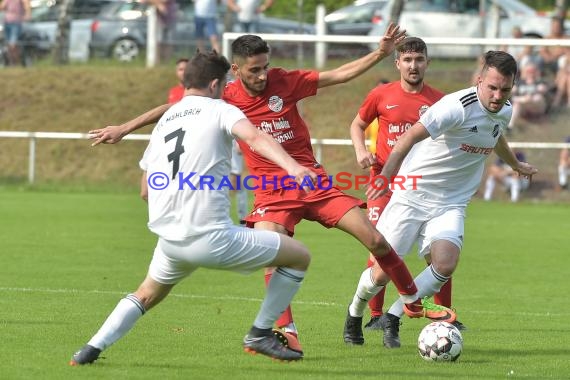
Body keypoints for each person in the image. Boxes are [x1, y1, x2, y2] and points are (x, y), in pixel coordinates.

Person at [87, 24, 457, 354]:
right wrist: (124, 127)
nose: (263, 75)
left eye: (265, 66)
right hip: (270, 189)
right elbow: (173, 107)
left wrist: (379, 53)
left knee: (376, 241)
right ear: (234, 71)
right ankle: (284, 330)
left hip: (312, 181)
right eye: (254, 69)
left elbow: (338, 75)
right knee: (275, 252)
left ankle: (411, 302)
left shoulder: (284, 80)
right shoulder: (225, 97)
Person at [70, 51, 319, 365]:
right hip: (212, 238)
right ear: (215, 84)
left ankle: (89, 350)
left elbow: (146, 190)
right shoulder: (221, 110)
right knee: (299, 257)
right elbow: (255, 137)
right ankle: (260, 332)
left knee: (146, 293)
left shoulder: (165, 121)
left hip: (170, 240)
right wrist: (294, 168)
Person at [343, 50, 537, 349]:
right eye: (493, 87)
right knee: (381, 273)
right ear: (480, 80)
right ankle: (355, 312)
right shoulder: (455, 107)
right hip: (412, 194)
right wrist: (385, 178)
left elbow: (495, 134)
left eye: (505, 90)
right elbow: (408, 137)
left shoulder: (505, 110)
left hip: (451, 202)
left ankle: (394, 316)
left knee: (445, 264)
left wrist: (514, 164)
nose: (498, 96)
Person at [344, 37, 465, 348]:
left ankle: (444, 312)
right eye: (407, 60)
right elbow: (357, 125)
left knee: (437, 255)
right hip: (384, 184)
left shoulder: (440, 102)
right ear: (397, 63)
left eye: (419, 59)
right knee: (380, 253)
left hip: (423, 188)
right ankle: (374, 314)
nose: (413, 65)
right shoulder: (381, 95)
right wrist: (361, 152)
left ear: (427, 62)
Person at [508, 62, 549, 133]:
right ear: (524, 72)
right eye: (528, 71)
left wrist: (531, 96)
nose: (530, 73)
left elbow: (543, 90)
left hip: (537, 107)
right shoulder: (519, 83)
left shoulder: (540, 81)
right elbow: (512, 96)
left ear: (536, 72)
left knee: (538, 97)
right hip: (524, 106)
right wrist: (524, 99)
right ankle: (510, 127)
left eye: (532, 71)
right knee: (517, 103)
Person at [0, 0, 31, 66]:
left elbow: (26, 4)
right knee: (8, 44)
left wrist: (27, 14)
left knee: (13, 43)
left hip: (16, 23)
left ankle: (16, 62)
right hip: (7, 22)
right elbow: (2, 6)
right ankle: (11, 62)